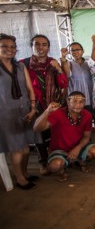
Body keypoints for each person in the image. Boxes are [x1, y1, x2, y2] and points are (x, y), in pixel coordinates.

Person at [21, 34, 68, 175]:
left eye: (44, 44)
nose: (40, 47)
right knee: (39, 135)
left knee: (53, 132)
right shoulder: (23, 64)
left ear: (48, 47)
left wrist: (59, 69)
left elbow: (64, 83)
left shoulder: (52, 63)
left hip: (53, 103)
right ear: (32, 46)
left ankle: (56, 158)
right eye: (37, 44)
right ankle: (43, 162)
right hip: (34, 105)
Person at [33, 91, 95, 181]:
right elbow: (36, 128)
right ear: (68, 102)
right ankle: (61, 171)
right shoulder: (58, 113)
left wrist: (77, 148)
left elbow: (86, 137)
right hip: (59, 149)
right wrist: (47, 111)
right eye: (74, 101)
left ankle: (80, 160)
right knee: (54, 166)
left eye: (81, 102)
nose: (78, 104)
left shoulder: (87, 115)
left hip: (77, 146)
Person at [0, 34, 38, 190]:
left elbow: (29, 88)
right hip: (5, 114)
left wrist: (34, 107)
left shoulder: (20, 67)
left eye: (12, 47)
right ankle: (20, 178)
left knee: (26, 145)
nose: (9, 50)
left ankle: (26, 172)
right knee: (16, 147)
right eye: (4, 46)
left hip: (25, 109)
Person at [60, 42, 94, 115]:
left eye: (77, 49)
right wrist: (63, 56)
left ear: (82, 51)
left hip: (90, 98)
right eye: (73, 50)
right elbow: (67, 73)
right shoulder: (70, 64)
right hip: (76, 101)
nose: (75, 52)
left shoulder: (88, 63)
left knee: (89, 120)